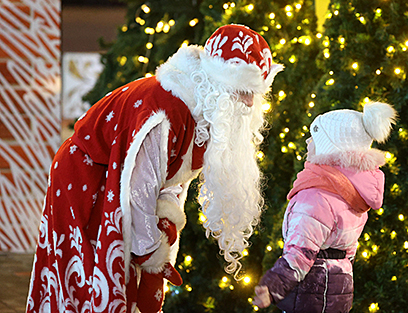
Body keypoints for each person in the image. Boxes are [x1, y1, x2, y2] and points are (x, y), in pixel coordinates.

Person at [26, 24, 283, 313]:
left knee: (128, 273)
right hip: (87, 176)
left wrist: (166, 219)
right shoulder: (166, 111)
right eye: (243, 90)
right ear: (218, 82)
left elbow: (171, 177)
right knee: (90, 276)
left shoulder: (203, 112)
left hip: (121, 179)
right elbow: (140, 188)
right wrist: (150, 248)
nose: (249, 103)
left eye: (256, 92)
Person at [253, 102, 397, 313]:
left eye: (314, 137)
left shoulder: (317, 195)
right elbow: (349, 251)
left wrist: (273, 285)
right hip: (339, 292)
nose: (308, 141)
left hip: (310, 294)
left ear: (328, 148)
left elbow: (301, 252)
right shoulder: (354, 191)